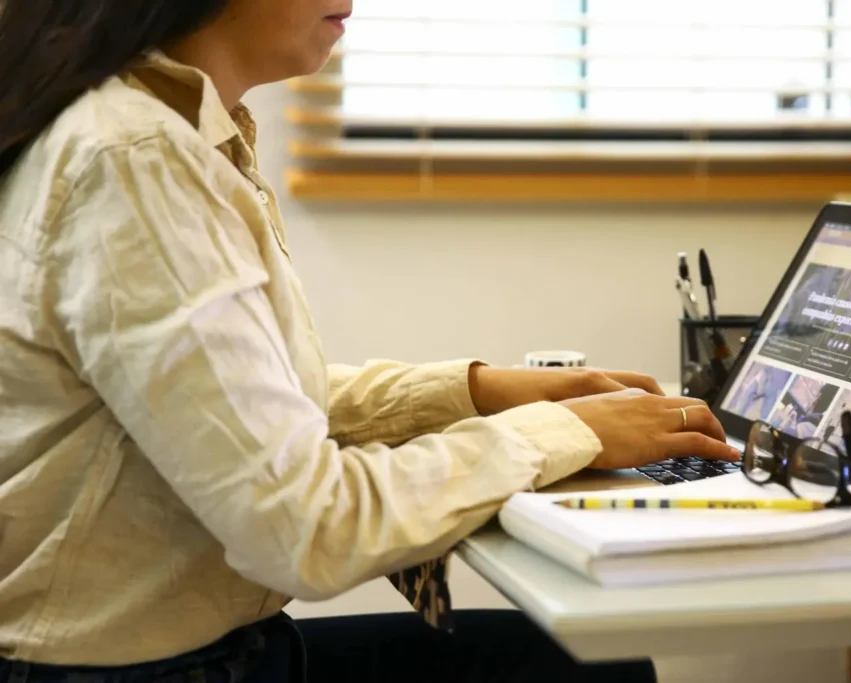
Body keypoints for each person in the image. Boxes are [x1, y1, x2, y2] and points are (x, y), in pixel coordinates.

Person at [0, 1, 740, 681]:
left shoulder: (154, 128)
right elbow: (304, 525)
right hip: (138, 674)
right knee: (588, 670)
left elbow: (246, 404)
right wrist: (563, 433)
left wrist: (480, 392)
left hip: (182, 653)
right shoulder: (132, 157)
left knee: (572, 660)